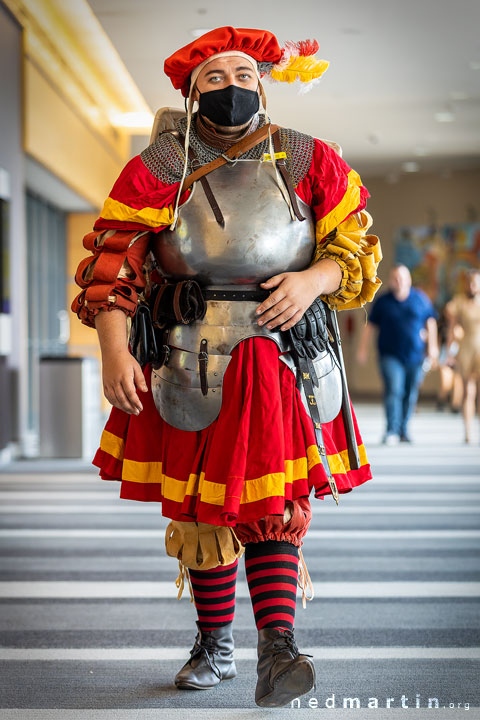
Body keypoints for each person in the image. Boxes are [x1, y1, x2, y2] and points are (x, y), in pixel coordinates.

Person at [71, 27, 382, 707]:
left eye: (243, 73)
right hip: (190, 355)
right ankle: (214, 644)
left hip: (283, 357)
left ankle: (278, 646)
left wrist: (316, 280)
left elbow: (354, 247)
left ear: (264, 82)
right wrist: (115, 350)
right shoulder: (159, 165)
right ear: (189, 93)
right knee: (202, 510)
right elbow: (112, 264)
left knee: (274, 504)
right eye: (213, 77)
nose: (231, 85)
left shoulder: (308, 157)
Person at [357, 264, 438, 444]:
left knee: (410, 393)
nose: (399, 281)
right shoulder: (383, 302)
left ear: (409, 280)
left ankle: (403, 429)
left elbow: (430, 322)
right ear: (391, 281)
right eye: (395, 278)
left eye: (402, 277)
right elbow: (370, 327)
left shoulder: (420, 299)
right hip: (389, 355)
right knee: (394, 390)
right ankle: (391, 430)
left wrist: (432, 348)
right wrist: (362, 349)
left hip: (416, 356)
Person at [444, 269, 480, 443]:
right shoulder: (460, 303)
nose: (472, 286)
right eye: (470, 282)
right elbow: (452, 329)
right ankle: (468, 431)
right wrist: (450, 352)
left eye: (476, 282)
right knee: (469, 391)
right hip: (467, 349)